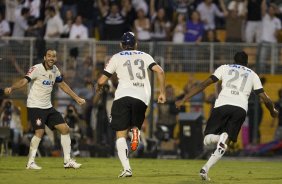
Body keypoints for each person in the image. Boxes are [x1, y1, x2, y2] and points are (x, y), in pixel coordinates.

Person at [176, 51, 278, 181]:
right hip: (240, 109)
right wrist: (272, 111)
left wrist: (184, 98)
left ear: (234, 60)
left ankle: (216, 145)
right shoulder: (252, 74)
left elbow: (204, 84)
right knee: (224, 142)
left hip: (222, 106)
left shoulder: (224, 68)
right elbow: (265, 98)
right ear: (247, 62)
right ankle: (206, 168)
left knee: (207, 138)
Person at [95, 32, 166, 177]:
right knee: (135, 124)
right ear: (136, 44)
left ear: (121, 45)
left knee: (120, 134)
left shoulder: (116, 57)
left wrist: (99, 87)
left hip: (122, 96)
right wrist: (162, 93)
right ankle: (135, 130)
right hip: (142, 97)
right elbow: (160, 71)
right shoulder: (145, 56)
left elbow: (101, 80)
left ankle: (127, 169)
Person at [4, 49, 86, 170]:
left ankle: (67, 161)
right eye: (49, 56)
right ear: (44, 57)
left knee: (65, 129)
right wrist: (12, 88)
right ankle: (30, 162)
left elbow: (62, 85)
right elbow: (24, 81)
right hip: (35, 106)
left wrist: (76, 98)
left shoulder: (55, 70)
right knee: (40, 132)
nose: (51, 58)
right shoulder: (36, 69)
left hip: (47, 106)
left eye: (53, 56)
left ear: (56, 58)